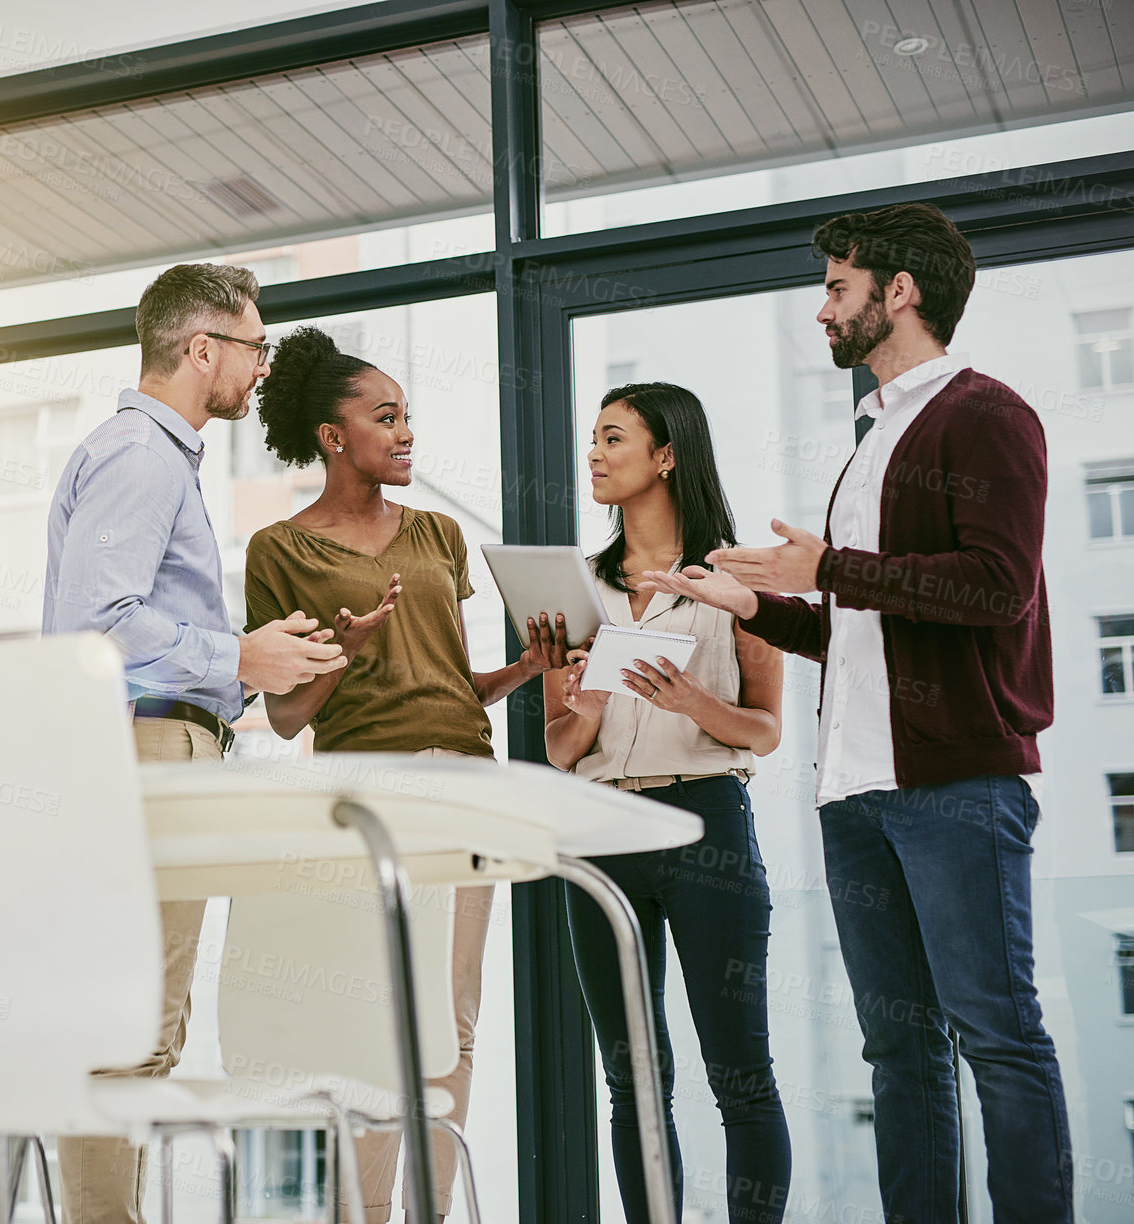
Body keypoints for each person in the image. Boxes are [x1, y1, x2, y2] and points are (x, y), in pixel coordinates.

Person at [641, 202, 1073, 1223]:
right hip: (858, 796)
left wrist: (827, 566)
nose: (823, 307)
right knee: (899, 1049)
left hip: (956, 786)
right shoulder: (875, 439)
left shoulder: (986, 415)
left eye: (838, 286)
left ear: (900, 292)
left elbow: (997, 587)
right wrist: (756, 604)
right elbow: (866, 632)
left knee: (998, 1037)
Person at [42, 263, 348, 1224]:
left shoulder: (147, 455)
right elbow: (99, 625)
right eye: (254, 346)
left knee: (132, 1024)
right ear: (201, 347)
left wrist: (248, 664)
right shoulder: (142, 455)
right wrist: (240, 656)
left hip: (148, 748)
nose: (262, 368)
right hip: (147, 749)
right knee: (131, 1029)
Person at [242, 325, 567, 1224]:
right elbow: (283, 715)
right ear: (333, 435)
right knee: (373, 1024)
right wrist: (339, 654)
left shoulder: (438, 534)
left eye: (408, 415)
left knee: (448, 1022)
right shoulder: (280, 549)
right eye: (386, 417)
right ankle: (366, 1214)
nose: (406, 432)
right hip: (364, 796)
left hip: (466, 781)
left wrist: (529, 670)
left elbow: (456, 685)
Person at [544, 381, 791, 1224]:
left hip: (704, 830)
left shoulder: (731, 581)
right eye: (593, 439)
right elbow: (558, 747)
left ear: (667, 455)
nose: (595, 455)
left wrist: (694, 705)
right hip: (600, 831)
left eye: (613, 438)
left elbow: (764, 729)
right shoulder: (579, 589)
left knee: (739, 1074)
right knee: (631, 1076)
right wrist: (584, 710)